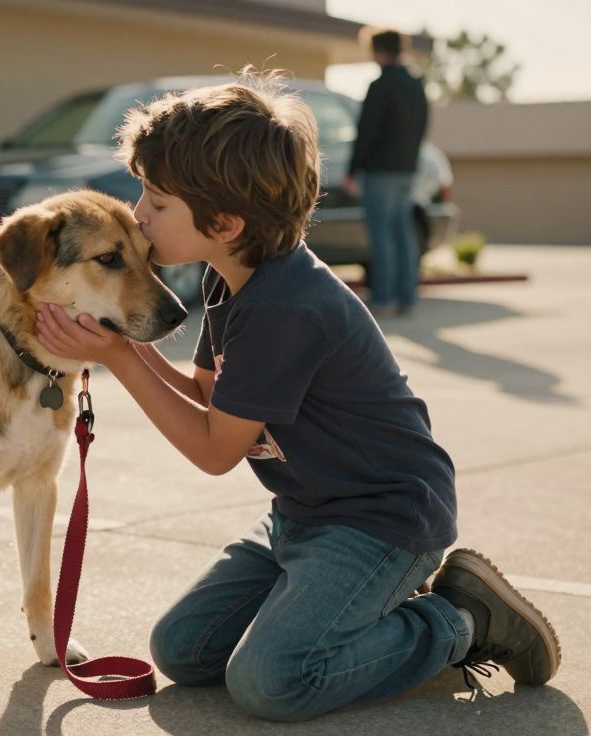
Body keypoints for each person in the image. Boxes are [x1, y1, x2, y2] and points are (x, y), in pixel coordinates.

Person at [33, 70, 559, 722]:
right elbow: (206, 396)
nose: (138, 213)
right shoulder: (231, 279)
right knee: (183, 650)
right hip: (304, 512)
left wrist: (116, 355)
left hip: (381, 521)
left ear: (224, 222)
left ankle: (460, 621)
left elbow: (213, 450)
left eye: (158, 202)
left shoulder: (284, 307)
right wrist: (123, 341)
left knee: (271, 683)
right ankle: (336, 603)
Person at [344, 28, 430, 317]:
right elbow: (422, 128)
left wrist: (353, 170)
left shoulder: (380, 86)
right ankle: (407, 296)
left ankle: (383, 298)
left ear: (379, 51)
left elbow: (366, 132)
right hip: (406, 170)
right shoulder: (416, 84)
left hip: (380, 171)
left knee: (381, 236)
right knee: (402, 233)